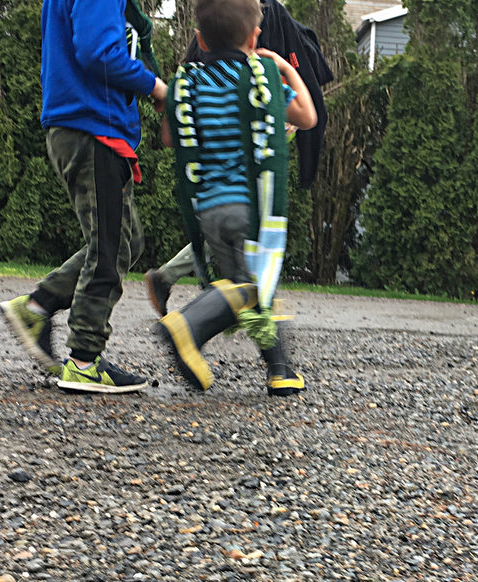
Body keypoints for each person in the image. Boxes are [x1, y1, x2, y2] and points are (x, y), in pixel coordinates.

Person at [0, 0, 168, 394]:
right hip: (92, 128)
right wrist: (156, 86)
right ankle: (84, 360)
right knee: (109, 246)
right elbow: (99, 53)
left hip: (84, 125)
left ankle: (38, 306)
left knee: (127, 240)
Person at [153, 0, 316, 396]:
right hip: (249, 209)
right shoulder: (261, 79)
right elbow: (307, 117)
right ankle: (188, 325)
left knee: (245, 286)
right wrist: (285, 67)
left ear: (199, 39)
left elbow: (169, 138)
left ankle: (280, 370)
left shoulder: (189, 83)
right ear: (254, 36)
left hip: (208, 209)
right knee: (250, 289)